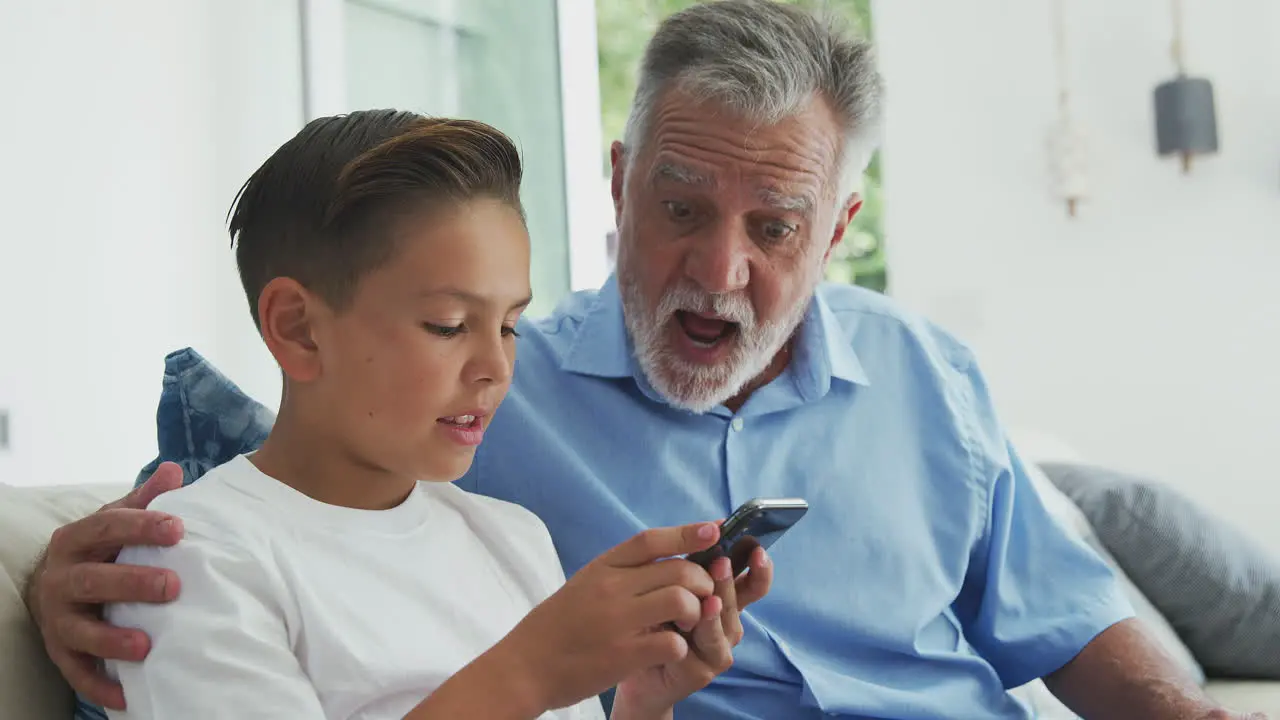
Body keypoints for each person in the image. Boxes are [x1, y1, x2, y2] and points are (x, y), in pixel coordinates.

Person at [22, 2, 1267, 719]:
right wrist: (57, 574)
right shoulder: (476, 408)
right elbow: (277, 495)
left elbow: (1080, 631)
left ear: (837, 229)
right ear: (618, 186)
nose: (716, 270)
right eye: (678, 206)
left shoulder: (929, 381)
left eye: (773, 227)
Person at [73, 111, 772, 720]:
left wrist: (644, 703)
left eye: (508, 326)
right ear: (299, 329)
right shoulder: (194, 560)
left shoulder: (508, 538)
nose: (496, 369)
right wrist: (529, 670)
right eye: (447, 325)